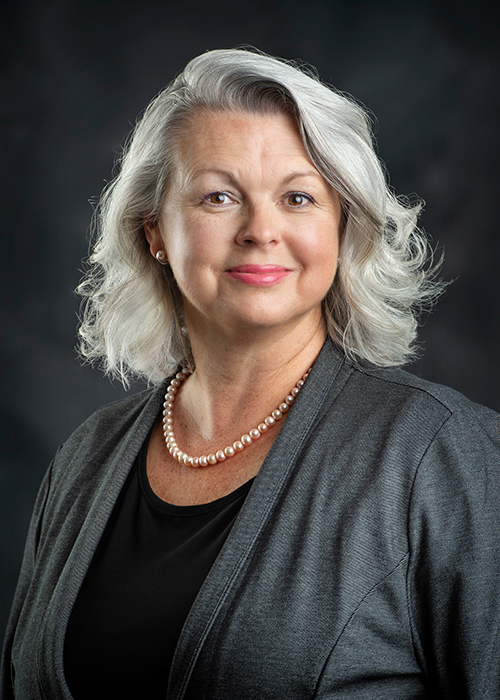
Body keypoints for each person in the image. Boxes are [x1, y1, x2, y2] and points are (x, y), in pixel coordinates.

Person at [2, 48, 499, 700]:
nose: (261, 229)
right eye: (218, 196)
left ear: (341, 226)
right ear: (155, 230)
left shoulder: (445, 454)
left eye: (298, 197)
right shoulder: (85, 459)